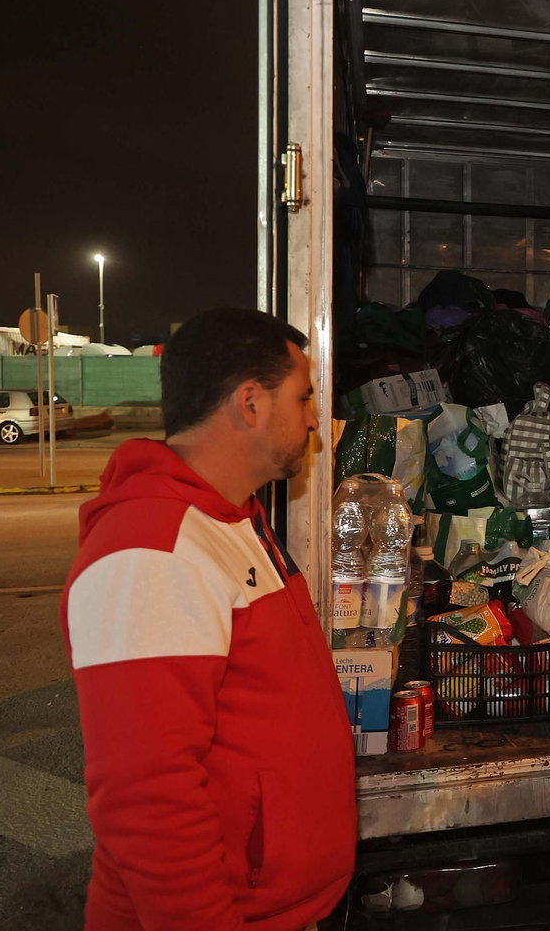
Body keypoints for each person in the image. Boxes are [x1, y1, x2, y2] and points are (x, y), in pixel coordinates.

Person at [62, 309, 356, 931]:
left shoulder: (231, 520)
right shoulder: (151, 550)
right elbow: (150, 800)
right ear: (249, 402)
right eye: (302, 398)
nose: (313, 420)